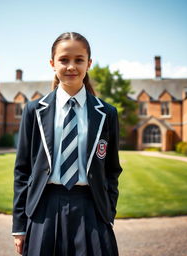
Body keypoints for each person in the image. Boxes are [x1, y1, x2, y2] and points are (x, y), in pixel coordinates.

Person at [12, 32, 123, 256]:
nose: (71, 66)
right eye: (64, 60)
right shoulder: (34, 111)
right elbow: (22, 170)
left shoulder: (107, 113)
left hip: (91, 208)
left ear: (89, 64)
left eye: (79, 60)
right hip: (44, 208)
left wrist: (108, 210)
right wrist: (19, 226)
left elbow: (112, 169)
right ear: (52, 63)